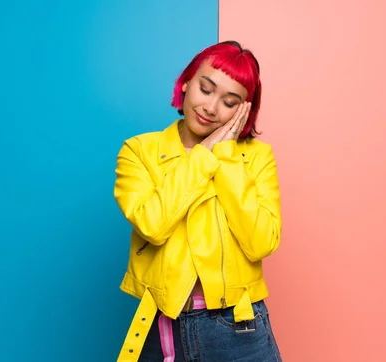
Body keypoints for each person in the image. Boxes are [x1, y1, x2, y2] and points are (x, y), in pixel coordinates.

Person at [113, 40, 282, 362]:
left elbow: (261, 243)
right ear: (187, 83)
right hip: (162, 321)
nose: (211, 108)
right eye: (206, 89)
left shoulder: (256, 158)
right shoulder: (139, 152)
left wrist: (227, 157)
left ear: (244, 110)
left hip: (238, 325)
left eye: (230, 101)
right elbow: (153, 225)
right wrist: (202, 157)